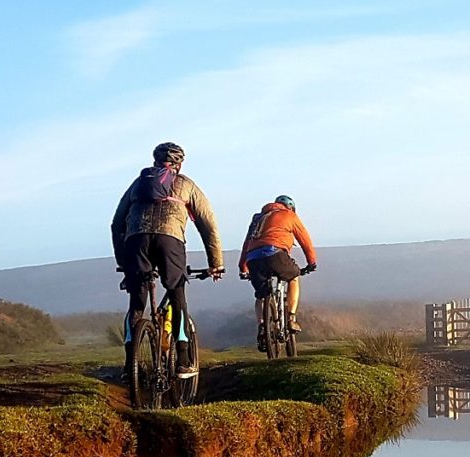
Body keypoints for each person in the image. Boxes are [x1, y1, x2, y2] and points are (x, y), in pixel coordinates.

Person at [112, 142, 224, 380]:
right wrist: (216, 262)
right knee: (176, 293)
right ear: (179, 164)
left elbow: (116, 223)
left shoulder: (138, 184)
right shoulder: (186, 184)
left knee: (137, 304)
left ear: (155, 162)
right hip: (169, 240)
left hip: (136, 240)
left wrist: (123, 261)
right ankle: (183, 359)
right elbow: (208, 225)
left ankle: (128, 365)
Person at [238, 195, 317, 350]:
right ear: (290, 207)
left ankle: (262, 326)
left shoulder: (257, 219)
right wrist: (311, 262)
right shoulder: (289, 215)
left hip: (253, 258)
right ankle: (291, 318)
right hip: (275, 254)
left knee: (261, 295)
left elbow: (247, 243)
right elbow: (304, 240)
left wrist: (243, 267)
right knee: (294, 277)